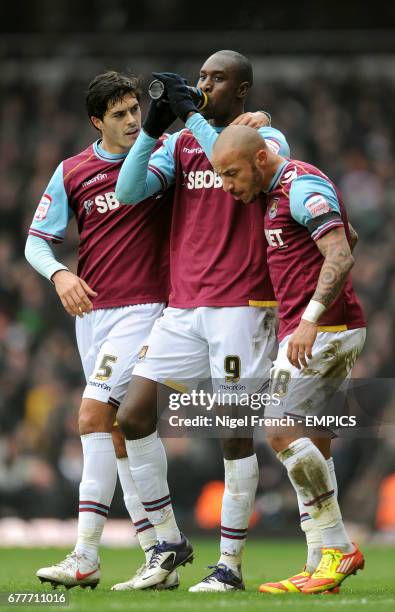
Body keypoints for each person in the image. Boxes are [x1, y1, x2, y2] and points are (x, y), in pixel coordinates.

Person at [114, 50, 290, 592]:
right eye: (201, 78)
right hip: (184, 306)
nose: (204, 84)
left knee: (232, 432)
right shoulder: (181, 142)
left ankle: (230, 567)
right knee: (133, 415)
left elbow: (229, 156)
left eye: (217, 79)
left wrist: (191, 116)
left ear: (241, 90)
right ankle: (167, 544)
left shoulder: (270, 139)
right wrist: (152, 131)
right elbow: (126, 192)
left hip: (242, 305)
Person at [24, 71, 178, 590]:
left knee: (91, 416)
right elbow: (37, 242)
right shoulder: (72, 171)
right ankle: (159, 552)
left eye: (135, 109)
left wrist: (259, 122)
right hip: (92, 316)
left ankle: (85, 553)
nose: (133, 120)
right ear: (97, 121)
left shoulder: (161, 155)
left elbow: (215, 140)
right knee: (115, 436)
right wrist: (60, 273)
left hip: (145, 308)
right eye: (120, 114)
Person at [210, 124, 367, 595]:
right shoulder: (274, 191)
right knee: (314, 443)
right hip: (314, 329)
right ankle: (320, 562)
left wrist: (311, 316)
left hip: (326, 332)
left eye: (232, 173)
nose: (227, 186)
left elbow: (341, 253)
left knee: (278, 427)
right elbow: (351, 234)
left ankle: (338, 547)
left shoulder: (302, 185)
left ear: (261, 160)